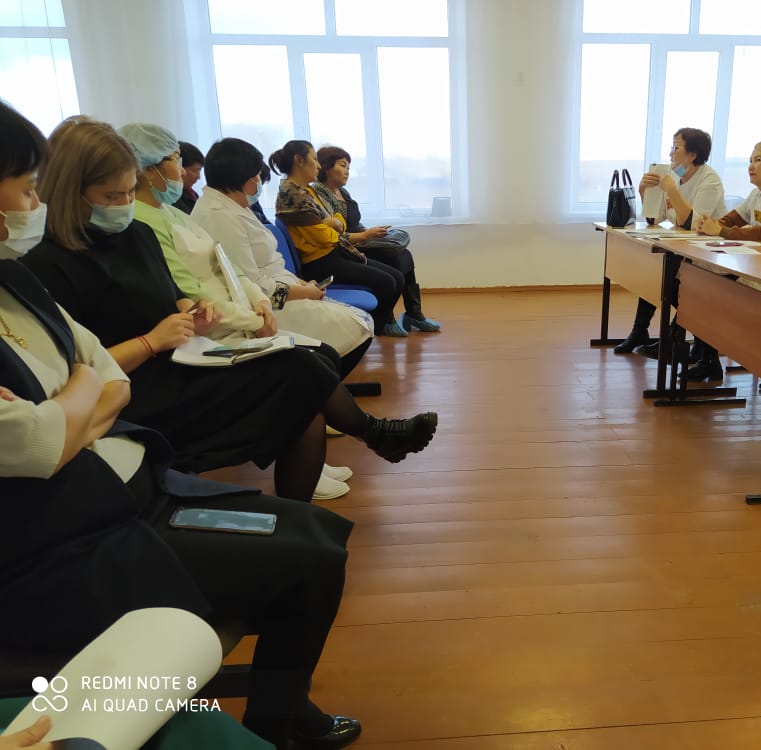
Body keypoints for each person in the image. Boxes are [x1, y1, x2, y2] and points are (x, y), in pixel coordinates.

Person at [0, 100, 360, 749]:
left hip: (127, 472)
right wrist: (84, 393)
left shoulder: (14, 282)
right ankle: (278, 719)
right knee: (307, 555)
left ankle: (280, 712)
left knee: (324, 537)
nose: (33, 204)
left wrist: (73, 398)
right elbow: (39, 439)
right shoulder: (38, 266)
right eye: (27, 188)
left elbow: (102, 375)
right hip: (70, 531)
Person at [22, 116, 438, 504]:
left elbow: (177, 295)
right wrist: (151, 341)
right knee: (302, 379)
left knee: (302, 379)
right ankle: (373, 435)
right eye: (112, 196)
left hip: (184, 357)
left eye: (130, 192)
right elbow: (70, 369)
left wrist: (194, 311)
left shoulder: (137, 236)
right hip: (134, 386)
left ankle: (304, 508)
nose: (125, 204)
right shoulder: (48, 263)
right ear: (70, 190)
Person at [120, 123, 373, 379]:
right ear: (149, 168)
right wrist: (258, 315)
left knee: (348, 333)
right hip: (230, 318)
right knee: (338, 341)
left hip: (254, 304)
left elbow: (231, 267)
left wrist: (263, 300)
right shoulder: (200, 216)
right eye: (176, 159)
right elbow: (193, 289)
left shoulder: (174, 212)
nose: (182, 170)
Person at [190, 138, 379, 369]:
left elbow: (270, 264)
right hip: (265, 306)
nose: (259, 182)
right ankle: (323, 382)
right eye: (257, 176)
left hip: (281, 288)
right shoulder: (219, 216)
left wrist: (302, 285)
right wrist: (303, 291)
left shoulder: (234, 207)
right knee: (356, 326)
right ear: (244, 178)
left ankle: (325, 380)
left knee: (358, 322)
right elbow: (251, 285)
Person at [616, 128, 728, 380]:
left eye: (676, 147)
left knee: (675, 285)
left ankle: (694, 346)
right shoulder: (676, 177)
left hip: (709, 255)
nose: (670, 153)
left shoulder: (709, 180)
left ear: (692, 155)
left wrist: (672, 192)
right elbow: (656, 219)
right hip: (685, 248)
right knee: (654, 272)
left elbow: (693, 223)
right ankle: (643, 331)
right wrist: (645, 190)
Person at [270, 140, 408, 337]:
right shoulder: (292, 196)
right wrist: (333, 223)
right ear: (299, 161)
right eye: (314, 159)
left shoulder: (306, 191)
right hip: (319, 262)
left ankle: (371, 327)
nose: (318, 166)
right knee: (388, 282)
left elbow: (335, 220)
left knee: (397, 277)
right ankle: (368, 330)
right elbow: (326, 236)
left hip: (333, 254)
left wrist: (333, 222)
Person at [314, 146, 441, 332]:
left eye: (349, 167)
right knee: (394, 258)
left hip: (360, 240)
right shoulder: (319, 193)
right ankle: (387, 319)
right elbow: (334, 234)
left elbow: (354, 222)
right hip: (345, 248)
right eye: (342, 165)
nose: (347, 171)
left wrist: (371, 232)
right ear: (326, 167)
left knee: (405, 255)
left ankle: (414, 313)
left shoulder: (342, 192)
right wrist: (366, 236)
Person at [172, 140, 203, 214]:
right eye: (194, 171)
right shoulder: (172, 198)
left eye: (199, 171)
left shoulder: (192, 194)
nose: (198, 177)